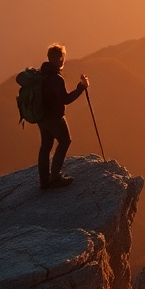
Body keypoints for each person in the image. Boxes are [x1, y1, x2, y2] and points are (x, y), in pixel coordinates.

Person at [38, 44, 87, 190]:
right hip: (55, 117)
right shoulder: (56, 78)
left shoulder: (41, 74)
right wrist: (81, 88)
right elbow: (65, 99)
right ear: (60, 59)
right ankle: (56, 176)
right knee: (65, 141)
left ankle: (44, 181)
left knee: (46, 146)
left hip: (41, 117)